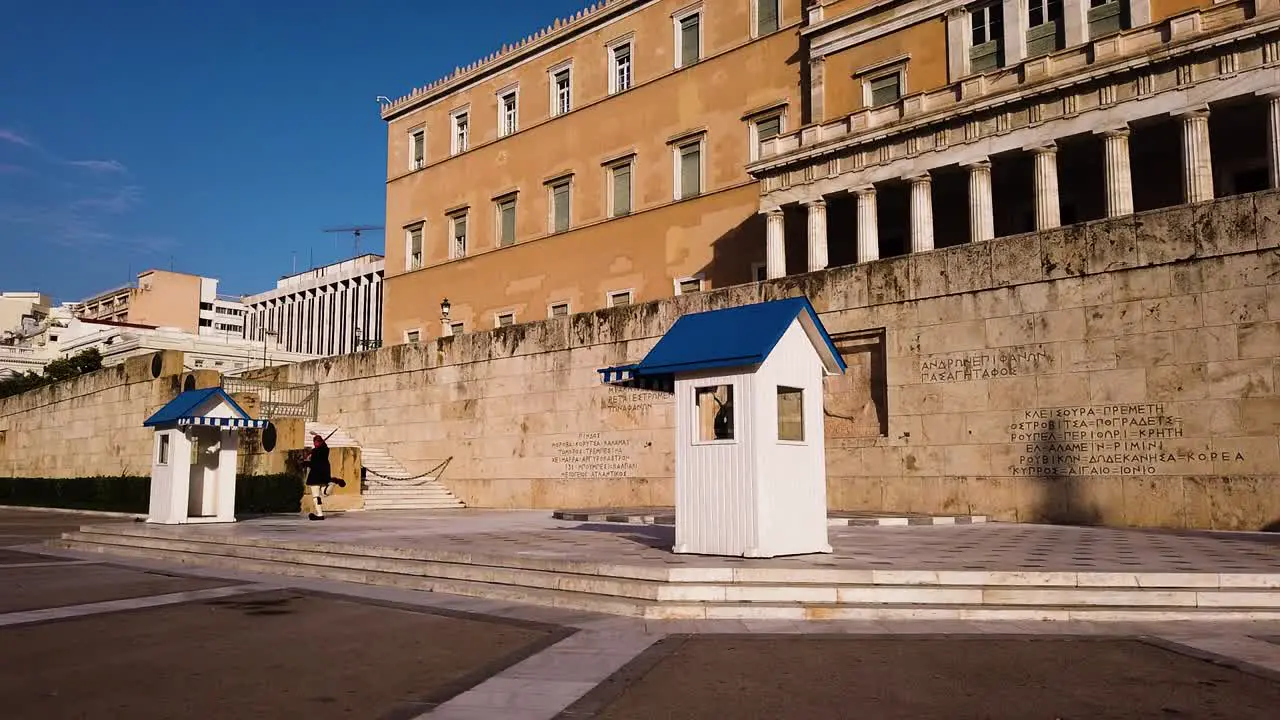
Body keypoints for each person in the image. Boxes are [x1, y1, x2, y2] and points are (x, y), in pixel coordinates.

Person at [302, 434, 345, 521]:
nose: (315, 443)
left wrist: (305, 463)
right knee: (325, 493)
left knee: (316, 496)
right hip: (324, 474)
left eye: (316, 442)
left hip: (315, 475)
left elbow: (314, 464)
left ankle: (320, 514)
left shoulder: (315, 452)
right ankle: (332, 483)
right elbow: (323, 452)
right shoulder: (325, 450)